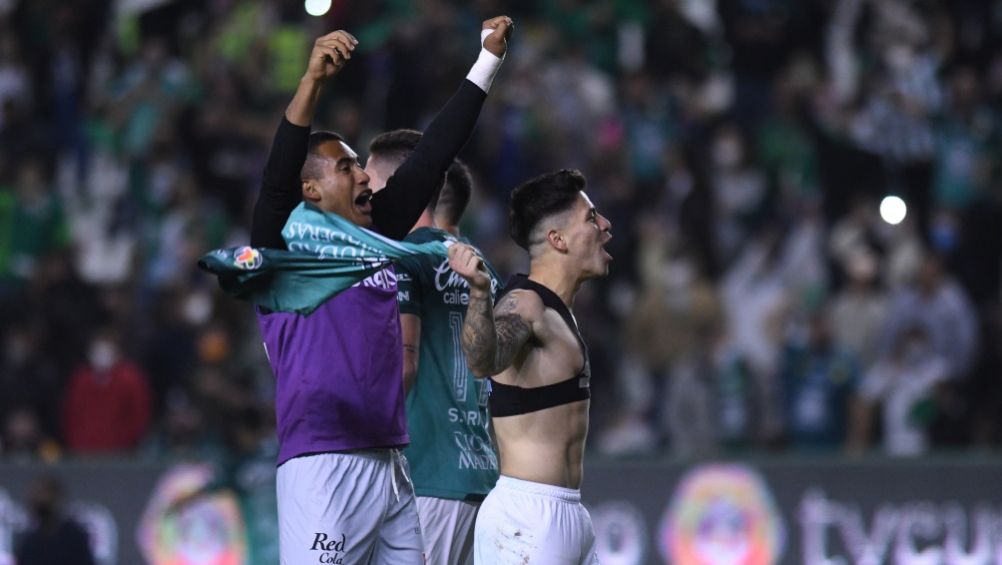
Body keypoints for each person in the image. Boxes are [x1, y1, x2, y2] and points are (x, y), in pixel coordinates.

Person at [249, 18, 511, 565]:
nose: (366, 178)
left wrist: (486, 61)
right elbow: (276, 177)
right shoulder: (286, 249)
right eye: (348, 168)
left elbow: (433, 155)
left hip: (392, 463)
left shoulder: (376, 239)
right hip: (323, 460)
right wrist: (311, 83)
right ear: (311, 188)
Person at [449, 169, 612, 564]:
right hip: (527, 519)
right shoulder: (524, 303)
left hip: (569, 514)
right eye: (591, 219)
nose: (605, 225)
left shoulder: (561, 312)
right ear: (557, 240)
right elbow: (482, 360)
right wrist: (478, 293)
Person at [366, 129, 500, 564]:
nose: (364, 200)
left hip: (424, 474)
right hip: (478, 471)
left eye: (369, 187)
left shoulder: (402, 257)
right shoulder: (481, 266)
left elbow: (403, 363)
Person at [14, 475, 96, 565]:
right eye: (38, 497)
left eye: (46, 496)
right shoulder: (30, 543)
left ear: (58, 499)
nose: (42, 500)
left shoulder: (75, 537)